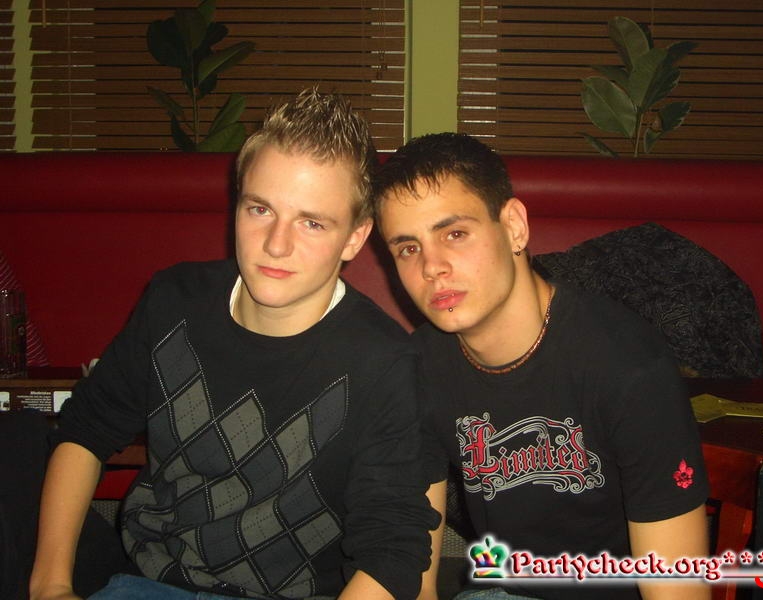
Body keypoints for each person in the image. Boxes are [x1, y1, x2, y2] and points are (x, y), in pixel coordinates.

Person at [28, 89, 439, 600]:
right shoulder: (173, 301)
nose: (277, 244)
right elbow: (85, 431)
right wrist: (50, 585)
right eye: (260, 209)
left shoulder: (384, 362)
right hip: (152, 582)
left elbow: (393, 548)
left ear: (354, 238)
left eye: (312, 222)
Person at [371, 132, 711, 600]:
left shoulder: (628, 365)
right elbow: (417, 569)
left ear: (514, 226)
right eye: (408, 248)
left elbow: (677, 589)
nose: (432, 267)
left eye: (455, 234)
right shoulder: (420, 366)